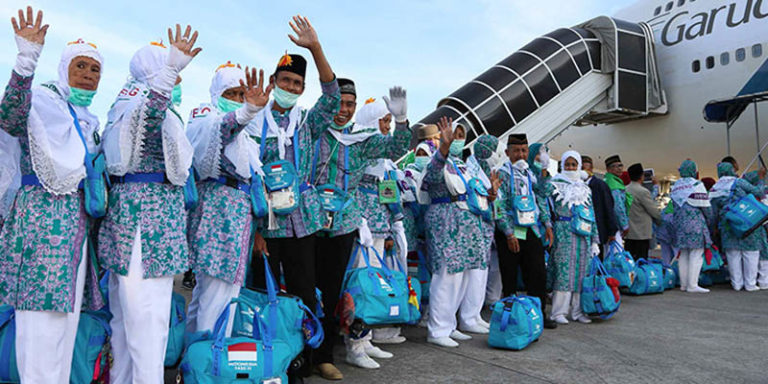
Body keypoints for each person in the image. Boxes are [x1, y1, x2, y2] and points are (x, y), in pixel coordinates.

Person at [0, 7, 103, 382]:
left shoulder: (89, 122)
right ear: (63, 69)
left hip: (73, 240)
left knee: (64, 327)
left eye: (95, 70)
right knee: (39, 330)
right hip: (40, 233)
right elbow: (9, 116)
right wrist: (26, 59)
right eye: (81, 66)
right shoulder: (42, 102)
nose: (88, 75)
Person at [99, 26, 199, 382]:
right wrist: (169, 72)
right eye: (173, 71)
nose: (179, 80)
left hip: (138, 224)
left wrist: (169, 74)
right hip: (146, 227)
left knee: (128, 323)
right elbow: (150, 117)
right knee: (147, 323)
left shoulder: (122, 104)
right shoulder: (141, 104)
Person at [243, 15, 339, 382]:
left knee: (304, 293)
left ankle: (306, 361)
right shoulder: (253, 122)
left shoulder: (307, 123)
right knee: (261, 293)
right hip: (267, 224)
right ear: (273, 82)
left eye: (297, 83)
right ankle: (262, 360)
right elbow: (247, 177)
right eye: (285, 80)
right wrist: (255, 230)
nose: (291, 87)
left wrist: (314, 48)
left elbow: (331, 96)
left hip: (301, 223)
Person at [311, 85, 410, 376]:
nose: (344, 110)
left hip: (345, 224)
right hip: (310, 220)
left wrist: (402, 122)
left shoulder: (361, 140)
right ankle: (303, 352)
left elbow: (394, 148)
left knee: (343, 289)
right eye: (339, 103)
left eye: (350, 104)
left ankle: (329, 353)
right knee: (306, 289)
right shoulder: (313, 132)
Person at [185, 63, 271, 335]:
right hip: (217, 215)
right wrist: (247, 111)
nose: (236, 100)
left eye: (240, 94)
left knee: (211, 292)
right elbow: (221, 131)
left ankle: (195, 358)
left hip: (235, 218)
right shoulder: (206, 117)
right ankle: (209, 362)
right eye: (231, 93)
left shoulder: (246, 136)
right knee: (217, 294)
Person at [343, 98, 409, 370]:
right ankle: (353, 345)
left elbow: (388, 191)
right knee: (360, 285)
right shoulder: (359, 145)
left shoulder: (382, 156)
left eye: (389, 122)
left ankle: (366, 337)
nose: (386, 126)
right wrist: (358, 219)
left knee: (374, 285)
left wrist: (396, 222)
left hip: (378, 223)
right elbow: (350, 184)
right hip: (361, 223)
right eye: (383, 121)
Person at [422, 117, 498, 348]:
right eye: (455, 135)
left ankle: (450, 324)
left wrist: (490, 193)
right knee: (447, 276)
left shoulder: (463, 165)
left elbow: (472, 193)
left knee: (462, 276)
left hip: (466, 224)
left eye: (461, 137)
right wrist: (443, 147)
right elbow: (433, 176)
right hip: (447, 222)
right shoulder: (439, 160)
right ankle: (437, 329)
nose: (458, 140)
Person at [495, 134, 558, 330]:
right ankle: (510, 315)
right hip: (511, 230)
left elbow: (542, 195)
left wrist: (547, 224)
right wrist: (508, 233)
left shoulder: (530, 173)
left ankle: (538, 313)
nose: (520, 154)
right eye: (516, 151)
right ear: (507, 152)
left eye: (524, 150)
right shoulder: (502, 173)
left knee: (537, 273)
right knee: (510, 275)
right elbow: (499, 205)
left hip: (531, 229)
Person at [549, 151, 600, 324]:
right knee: (564, 272)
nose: (571, 168)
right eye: (568, 164)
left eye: (574, 164)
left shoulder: (585, 188)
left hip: (583, 235)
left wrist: (595, 240)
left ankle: (578, 311)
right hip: (564, 232)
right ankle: (558, 312)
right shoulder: (555, 184)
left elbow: (591, 214)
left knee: (581, 274)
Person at [710, 163, 766, 291]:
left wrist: (714, 228)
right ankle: (750, 284)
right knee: (750, 253)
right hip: (747, 220)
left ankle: (737, 283)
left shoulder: (714, 189)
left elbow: (713, 213)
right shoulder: (739, 182)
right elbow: (759, 192)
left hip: (728, 224)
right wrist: (761, 179)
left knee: (732, 253)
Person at [669, 160, 712, 293]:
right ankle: (693, 285)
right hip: (695, 225)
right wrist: (710, 220)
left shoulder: (676, 185)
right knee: (696, 254)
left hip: (679, 224)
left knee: (683, 254)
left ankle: (683, 284)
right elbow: (705, 207)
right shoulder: (697, 184)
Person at [582, 155, 619, 258]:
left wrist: (612, 231)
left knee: (596, 260)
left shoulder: (599, 185)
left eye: (587, 169)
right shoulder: (578, 186)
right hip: (582, 231)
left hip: (598, 231)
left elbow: (608, 207)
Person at [624, 163, 661, 260]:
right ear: (642, 176)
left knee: (630, 260)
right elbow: (653, 211)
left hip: (629, 233)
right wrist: (660, 222)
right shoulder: (643, 191)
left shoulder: (625, 189)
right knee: (641, 262)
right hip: (641, 234)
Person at [740, 170, 768, 290]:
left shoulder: (745, 195)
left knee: (753, 256)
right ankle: (763, 281)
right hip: (762, 227)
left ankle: (757, 281)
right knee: (763, 255)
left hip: (752, 229)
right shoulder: (762, 193)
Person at [604, 155, 631, 243]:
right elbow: (618, 207)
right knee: (616, 254)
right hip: (615, 227)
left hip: (609, 225)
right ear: (608, 169)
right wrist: (624, 225)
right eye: (614, 166)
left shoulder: (610, 180)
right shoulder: (614, 184)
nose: (619, 168)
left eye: (620, 166)